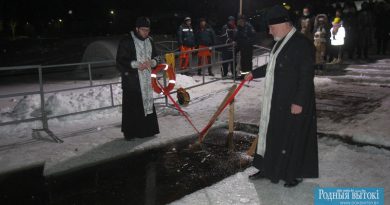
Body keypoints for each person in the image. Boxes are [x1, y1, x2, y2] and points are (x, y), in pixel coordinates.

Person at [245, 5, 318, 188]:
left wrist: (299, 102)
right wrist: (253, 73)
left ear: (284, 24)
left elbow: (306, 75)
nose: (269, 32)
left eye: (271, 27)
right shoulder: (280, 41)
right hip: (276, 99)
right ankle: (267, 168)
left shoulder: (302, 43)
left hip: (293, 101)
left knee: (293, 137)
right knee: (272, 135)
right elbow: (274, 66)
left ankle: (294, 173)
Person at [116, 17, 160, 140]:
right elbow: (120, 61)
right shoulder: (127, 41)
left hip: (146, 82)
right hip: (132, 81)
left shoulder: (150, 40)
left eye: (148, 30)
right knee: (132, 108)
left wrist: (152, 62)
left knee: (147, 106)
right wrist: (136, 65)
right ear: (136, 29)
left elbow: (158, 57)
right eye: (143, 30)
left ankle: (148, 130)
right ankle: (131, 133)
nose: (146, 33)